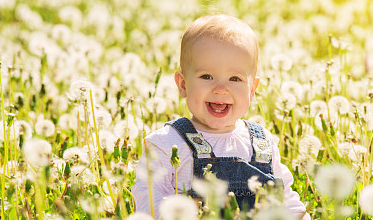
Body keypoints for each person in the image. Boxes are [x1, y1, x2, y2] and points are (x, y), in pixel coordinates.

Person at [132, 14, 310, 219]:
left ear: (252, 90)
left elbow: (286, 199)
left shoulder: (263, 143)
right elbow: (149, 203)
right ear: (182, 84)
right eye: (207, 76)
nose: (221, 89)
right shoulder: (166, 143)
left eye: (235, 78)